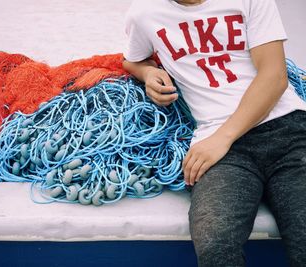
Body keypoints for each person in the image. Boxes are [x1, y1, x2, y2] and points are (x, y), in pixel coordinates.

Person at [122, 0, 306, 266]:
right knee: (216, 246)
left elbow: (274, 75)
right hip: (223, 151)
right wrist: (149, 72)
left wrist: (222, 138)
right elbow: (132, 59)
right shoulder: (144, 12)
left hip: (287, 131)